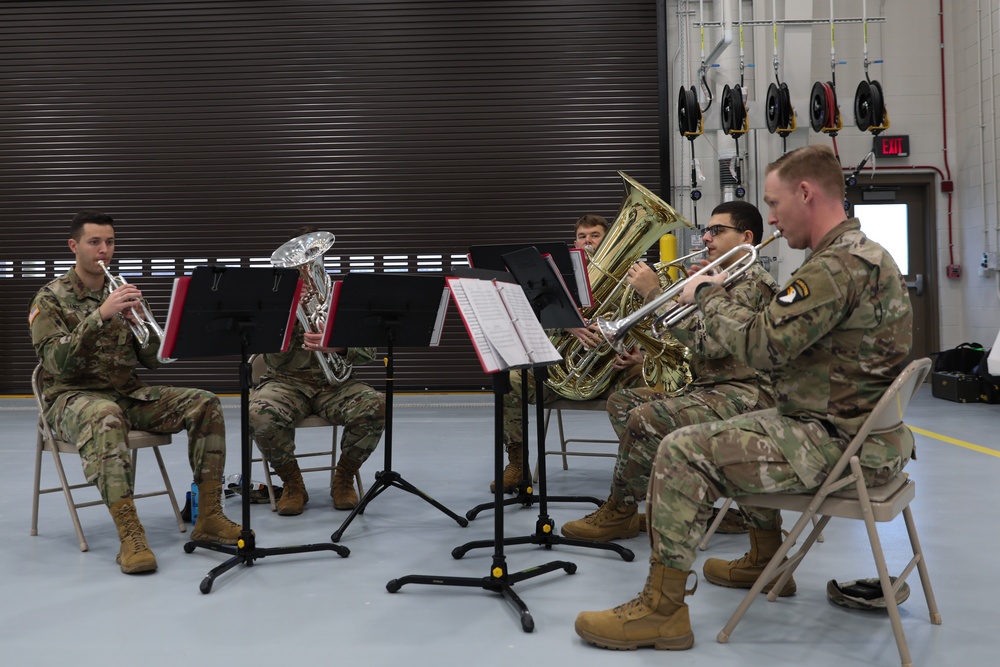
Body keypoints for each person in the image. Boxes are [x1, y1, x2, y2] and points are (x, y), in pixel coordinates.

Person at [574, 143, 913, 651]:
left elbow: (762, 347)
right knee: (724, 426)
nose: (773, 218)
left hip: (835, 442)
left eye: (775, 204)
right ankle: (762, 558)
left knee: (680, 450)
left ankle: (663, 611)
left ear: (806, 193)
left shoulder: (834, 268)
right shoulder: (863, 255)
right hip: (857, 433)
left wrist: (706, 295)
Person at [28, 210, 242, 575]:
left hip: (127, 394)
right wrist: (100, 317)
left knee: (205, 402)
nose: (104, 250)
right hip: (71, 399)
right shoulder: (50, 298)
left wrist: (140, 322)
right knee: (104, 415)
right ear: (73, 246)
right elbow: (55, 362)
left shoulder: (120, 291)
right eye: (94, 242)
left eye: (109, 242)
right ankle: (130, 534)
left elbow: (155, 359)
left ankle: (209, 514)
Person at [560, 200, 778, 542]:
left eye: (717, 231)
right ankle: (692, 500)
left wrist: (655, 294)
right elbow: (687, 340)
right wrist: (683, 302)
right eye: (706, 230)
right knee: (622, 402)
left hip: (744, 394)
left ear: (746, 237)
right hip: (709, 386)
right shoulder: (722, 279)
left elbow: (712, 345)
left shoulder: (751, 283)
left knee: (645, 418)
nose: (706, 237)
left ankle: (621, 511)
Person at [491, 214, 684, 493]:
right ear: (575, 242)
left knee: (655, 386)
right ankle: (518, 464)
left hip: (615, 371)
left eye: (594, 235)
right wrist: (567, 324)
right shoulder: (555, 278)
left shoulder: (638, 277)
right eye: (582, 236)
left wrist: (642, 355)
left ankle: (646, 471)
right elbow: (530, 320)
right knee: (510, 381)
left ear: (609, 240)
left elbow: (660, 326)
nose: (588, 241)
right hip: (562, 372)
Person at [249, 227, 386, 516]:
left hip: (335, 385)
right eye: (298, 267)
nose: (304, 273)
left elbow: (369, 352)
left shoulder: (342, 296)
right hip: (285, 383)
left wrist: (337, 346)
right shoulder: (272, 298)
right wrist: (285, 313)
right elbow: (261, 345)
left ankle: (344, 477)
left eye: (309, 265)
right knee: (259, 414)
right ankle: (292, 484)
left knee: (375, 405)